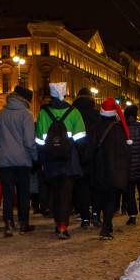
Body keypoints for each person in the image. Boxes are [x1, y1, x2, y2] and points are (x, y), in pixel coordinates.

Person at [35, 84, 87, 239]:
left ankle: (58, 222)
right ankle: (63, 226)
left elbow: (39, 140)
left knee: (54, 192)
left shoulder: (43, 113)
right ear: (65, 95)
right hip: (69, 160)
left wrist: (42, 158)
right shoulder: (74, 113)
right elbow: (81, 140)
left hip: (50, 161)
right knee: (66, 193)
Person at [0, 85, 37, 236]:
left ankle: (8, 223)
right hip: (23, 160)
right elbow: (29, 141)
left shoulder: (1, 114)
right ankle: (24, 223)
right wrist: (35, 157)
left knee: (7, 193)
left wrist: (2, 152)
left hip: (5, 161)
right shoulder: (27, 115)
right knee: (24, 193)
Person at [91, 97, 131, 240]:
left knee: (101, 196)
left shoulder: (95, 128)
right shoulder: (119, 130)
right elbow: (125, 152)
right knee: (111, 199)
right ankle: (106, 227)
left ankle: (104, 223)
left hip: (99, 168)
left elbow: (90, 149)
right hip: (114, 169)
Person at [70, 85, 98, 228]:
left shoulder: (72, 114)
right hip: (94, 156)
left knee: (80, 186)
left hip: (77, 155)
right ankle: (95, 214)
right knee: (94, 186)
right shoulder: (96, 114)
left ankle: (84, 217)